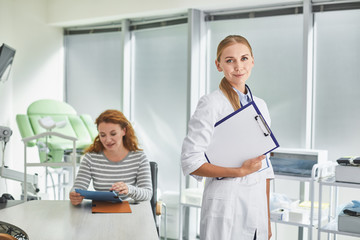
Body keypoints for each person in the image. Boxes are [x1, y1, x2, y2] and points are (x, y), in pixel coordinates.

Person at [181, 35, 274, 240]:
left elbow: (265, 169)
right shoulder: (212, 104)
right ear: (218, 65)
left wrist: (266, 219)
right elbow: (190, 161)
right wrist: (239, 171)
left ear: (252, 61)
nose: (238, 66)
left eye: (244, 58)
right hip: (225, 209)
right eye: (230, 60)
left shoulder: (261, 106)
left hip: (257, 210)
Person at [69, 109, 152, 205]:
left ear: (124, 131)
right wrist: (74, 195)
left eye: (113, 134)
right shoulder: (91, 158)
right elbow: (78, 187)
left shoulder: (139, 158)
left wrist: (129, 189)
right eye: (103, 135)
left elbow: (147, 194)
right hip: (100, 210)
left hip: (129, 210)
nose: (108, 140)